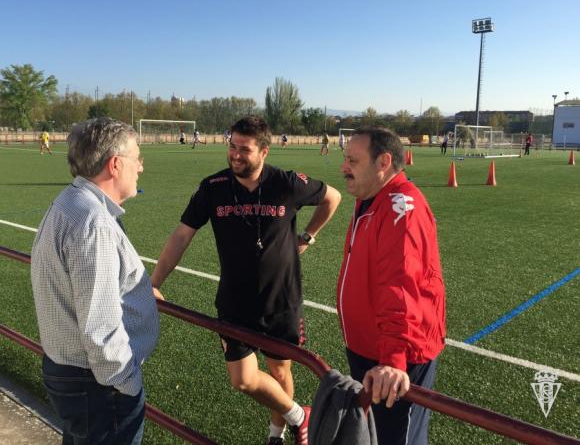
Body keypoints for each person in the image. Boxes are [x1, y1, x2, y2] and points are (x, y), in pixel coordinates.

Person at [151, 116, 341, 445]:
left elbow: (332, 197)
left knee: (281, 371)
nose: (236, 155)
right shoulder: (213, 188)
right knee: (242, 379)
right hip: (235, 302)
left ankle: (275, 436)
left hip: (281, 300)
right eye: (232, 147)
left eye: (245, 150)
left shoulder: (286, 183)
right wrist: (154, 282)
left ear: (264, 151)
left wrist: (308, 235)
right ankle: (299, 415)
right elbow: (182, 235)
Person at [31, 117, 159, 444]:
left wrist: (138, 292)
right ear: (115, 165)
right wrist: (126, 383)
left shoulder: (68, 203)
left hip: (69, 371)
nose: (141, 168)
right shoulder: (94, 223)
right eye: (137, 158)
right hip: (98, 386)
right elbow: (100, 328)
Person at [337, 127, 446, 445]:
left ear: (383, 161)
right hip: (372, 351)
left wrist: (392, 360)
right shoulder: (372, 198)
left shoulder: (401, 208)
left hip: (395, 361)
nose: (344, 167)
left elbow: (401, 286)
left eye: (353, 160)